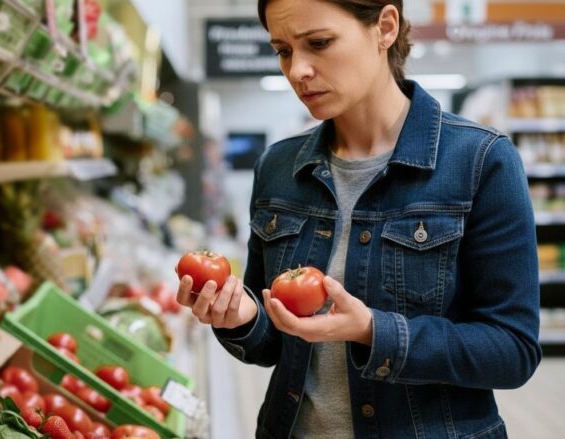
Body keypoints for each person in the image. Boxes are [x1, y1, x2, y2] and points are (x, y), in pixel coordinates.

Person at [175, 0, 542, 438]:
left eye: (319, 43)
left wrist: (373, 331)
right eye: (283, 51)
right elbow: (271, 343)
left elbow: (512, 350)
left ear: (385, 27)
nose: (297, 71)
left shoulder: (480, 160)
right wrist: (240, 317)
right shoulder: (278, 167)